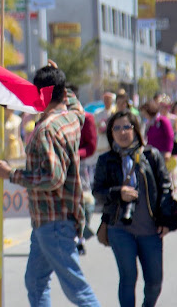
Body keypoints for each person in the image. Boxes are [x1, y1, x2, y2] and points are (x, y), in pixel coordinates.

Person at [0, 62, 100, 307]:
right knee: (36, 282)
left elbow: (53, 177)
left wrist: (11, 174)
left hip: (53, 219)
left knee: (76, 289)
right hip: (53, 218)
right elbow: (75, 105)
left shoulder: (47, 130)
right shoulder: (71, 117)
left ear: (43, 94)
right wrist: (58, 75)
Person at [93, 110, 177, 307]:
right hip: (119, 229)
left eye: (126, 127)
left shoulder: (151, 155)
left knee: (155, 282)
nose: (122, 132)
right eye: (117, 128)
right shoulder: (106, 160)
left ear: (136, 130)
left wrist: (165, 220)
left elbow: (165, 187)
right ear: (111, 132)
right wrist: (117, 192)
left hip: (150, 229)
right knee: (128, 278)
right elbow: (98, 191)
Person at [76, 107, 98, 255]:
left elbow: (91, 146)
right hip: (58, 165)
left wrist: (75, 154)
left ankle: (81, 237)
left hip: (80, 165)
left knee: (86, 202)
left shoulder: (86, 118)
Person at [95, 92, 116, 156]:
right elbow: (95, 126)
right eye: (105, 99)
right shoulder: (98, 113)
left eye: (108, 99)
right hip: (101, 141)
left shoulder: (114, 112)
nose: (106, 101)